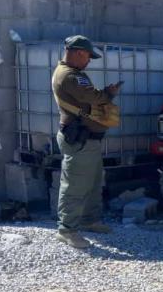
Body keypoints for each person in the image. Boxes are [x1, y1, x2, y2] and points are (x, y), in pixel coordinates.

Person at [52, 35, 121, 248]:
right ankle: (67, 230)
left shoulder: (70, 73)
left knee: (92, 183)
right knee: (74, 185)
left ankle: (89, 220)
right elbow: (94, 97)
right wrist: (108, 93)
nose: (89, 61)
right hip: (80, 139)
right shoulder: (72, 76)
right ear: (78, 52)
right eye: (88, 57)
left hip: (87, 140)